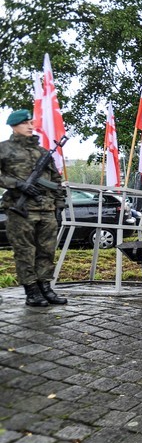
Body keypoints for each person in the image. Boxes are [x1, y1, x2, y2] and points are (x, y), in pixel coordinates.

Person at [0, 109, 67, 307]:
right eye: (26, 123)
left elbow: (56, 179)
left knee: (46, 251)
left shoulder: (43, 152)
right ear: (14, 126)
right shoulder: (4, 149)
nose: (31, 126)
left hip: (46, 209)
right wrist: (18, 184)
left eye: (31, 122)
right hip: (20, 210)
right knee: (25, 252)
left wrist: (59, 204)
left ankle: (45, 287)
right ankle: (31, 291)